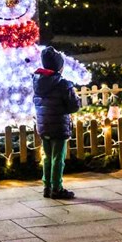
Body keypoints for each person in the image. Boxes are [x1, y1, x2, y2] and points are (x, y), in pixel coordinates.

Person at [32, 46, 82, 200]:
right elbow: (74, 106)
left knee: (47, 157)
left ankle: (47, 187)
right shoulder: (63, 84)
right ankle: (57, 188)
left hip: (43, 125)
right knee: (58, 158)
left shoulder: (37, 82)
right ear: (59, 67)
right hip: (59, 125)